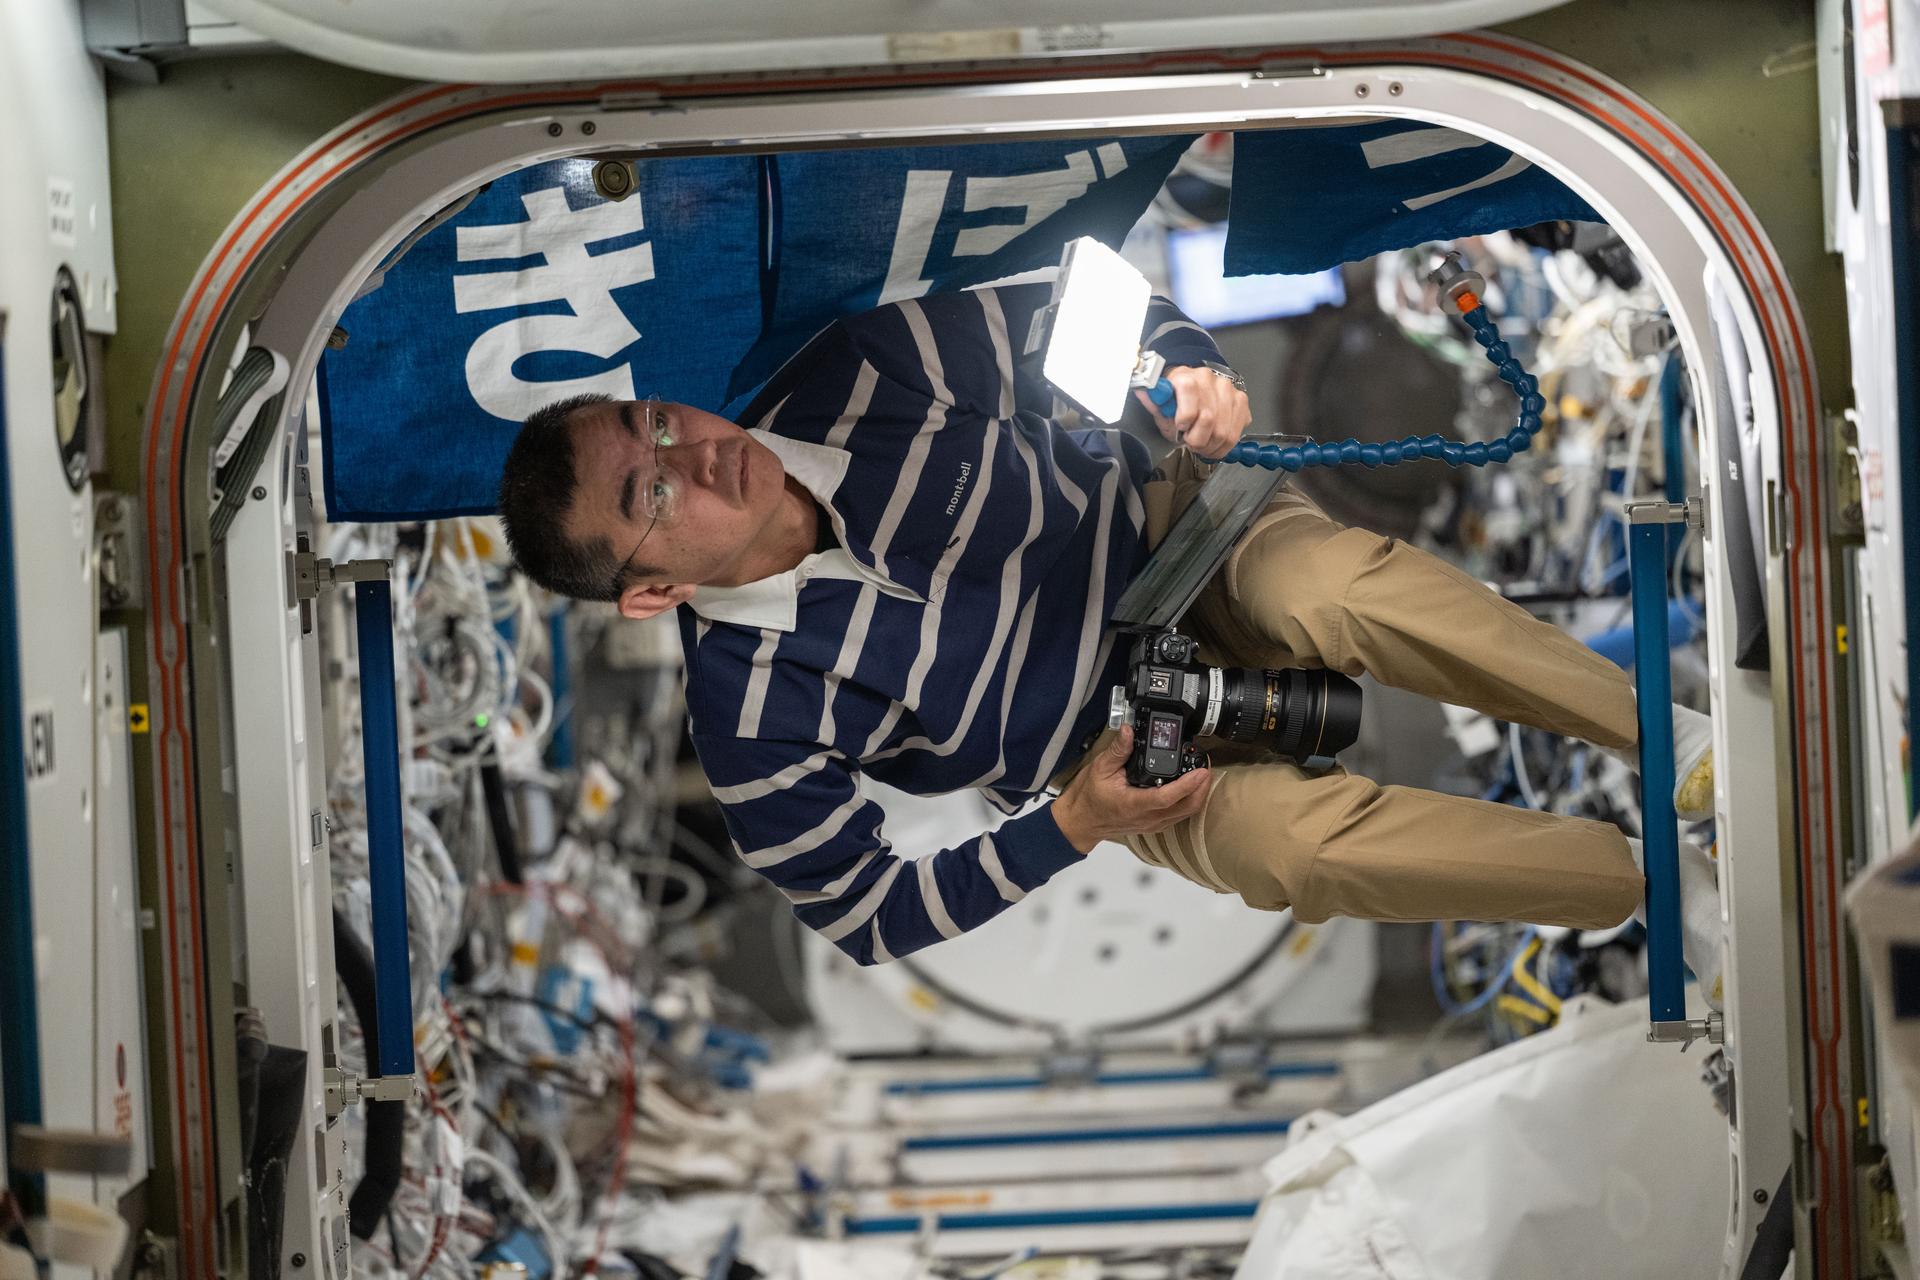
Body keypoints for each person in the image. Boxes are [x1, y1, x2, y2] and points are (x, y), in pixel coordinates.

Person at [497, 281, 1721, 994]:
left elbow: (1072, 305)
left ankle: (1684, 749)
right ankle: (1661, 881)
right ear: (651, 593)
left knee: (1337, 588)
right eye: (653, 494)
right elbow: (869, 912)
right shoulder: (752, 718)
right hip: (1123, 747)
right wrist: (1072, 822)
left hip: (1174, 535)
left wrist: (1178, 369)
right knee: (1294, 840)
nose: (699, 454)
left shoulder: (854, 377)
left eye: (658, 421)